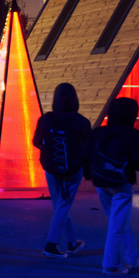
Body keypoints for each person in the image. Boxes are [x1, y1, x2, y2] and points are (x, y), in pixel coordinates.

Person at [83, 96, 139, 275]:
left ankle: (132, 257)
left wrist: (88, 175)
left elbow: (85, 156)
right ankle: (111, 263)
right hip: (121, 184)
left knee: (118, 221)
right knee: (118, 223)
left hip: (100, 182)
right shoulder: (133, 134)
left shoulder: (97, 132)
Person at [33, 82, 91, 259]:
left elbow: (36, 141)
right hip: (73, 169)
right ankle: (51, 245)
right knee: (63, 206)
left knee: (60, 206)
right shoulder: (81, 121)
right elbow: (88, 147)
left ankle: (72, 242)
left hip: (50, 168)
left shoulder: (45, 119)